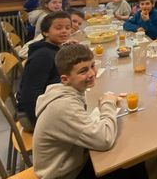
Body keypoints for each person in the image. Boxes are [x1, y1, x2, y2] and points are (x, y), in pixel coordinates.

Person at [33, 43, 148, 179]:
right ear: (65, 79)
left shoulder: (67, 92)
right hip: (66, 174)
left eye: (92, 66)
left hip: (73, 161)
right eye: (83, 71)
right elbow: (104, 140)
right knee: (132, 162)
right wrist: (108, 103)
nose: (92, 73)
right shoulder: (63, 107)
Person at [17, 11, 72, 130]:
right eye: (59, 28)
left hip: (49, 104)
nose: (65, 31)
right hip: (33, 115)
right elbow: (30, 94)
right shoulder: (43, 56)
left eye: (68, 28)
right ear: (45, 32)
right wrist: (40, 125)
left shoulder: (51, 47)